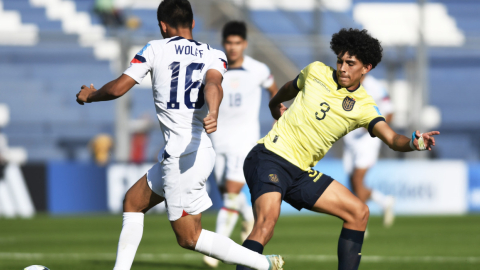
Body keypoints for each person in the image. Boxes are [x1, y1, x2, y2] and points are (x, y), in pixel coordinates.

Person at [75, 1, 284, 270]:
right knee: (133, 202)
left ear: (163, 25)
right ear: (192, 23)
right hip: (194, 150)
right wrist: (214, 111)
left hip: (183, 156)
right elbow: (213, 84)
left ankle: (263, 264)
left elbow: (117, 88)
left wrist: (89, 95)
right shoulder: (214, 54)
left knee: (189, 237)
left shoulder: (154, 49)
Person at [237, 28, 440, 270]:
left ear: (367, 68)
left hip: (300, 171)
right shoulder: (316, 71)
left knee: (359, 212)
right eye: (340, 61)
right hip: (269, 157)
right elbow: (289, 88)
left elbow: (392, 138)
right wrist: (274, 104)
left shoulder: (364, 105)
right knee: (266, 224)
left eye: (350, 63)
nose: (342, 67)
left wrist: (413, 143)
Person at [204, 21, 278, 268]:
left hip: (244, 142)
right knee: (228, 194)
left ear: (244, 44)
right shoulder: (215, 69)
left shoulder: (257, 69)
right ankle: (248, 219)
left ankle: (215, 250)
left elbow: (273, 90)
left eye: (237, 43)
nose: (233, 48)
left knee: (232, 193)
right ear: (224, 44)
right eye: (229, 43)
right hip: (218, 141)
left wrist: (278, 113)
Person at [342, 74, 395, 228]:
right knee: (353, 183)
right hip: (350, 139)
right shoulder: (346, 84)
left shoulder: (374, 86)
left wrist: (374, 128)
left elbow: (390, 112)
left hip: (367, 140)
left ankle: (359, 224)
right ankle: (384, 201)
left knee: (358, 179)